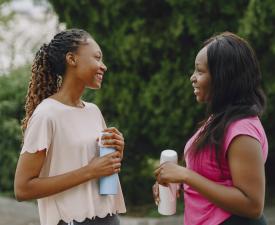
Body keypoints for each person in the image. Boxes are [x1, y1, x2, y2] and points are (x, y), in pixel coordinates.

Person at [153, 32, 268, 225]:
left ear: (223, 76)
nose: (193, 78)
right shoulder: (219, 119)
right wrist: (178, 182)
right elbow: (215, 178)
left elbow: (252, 205)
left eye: (200, 71)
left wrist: (186, 175)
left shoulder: (242, 130)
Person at [14, 28, 126, 225]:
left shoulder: (93, 111)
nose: (103, 66)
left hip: (108, 217)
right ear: (72, 59)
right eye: (97, 58)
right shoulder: (47, 114)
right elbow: (23, 189)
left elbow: (101, 172)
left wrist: (116, 154)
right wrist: (89, 171)